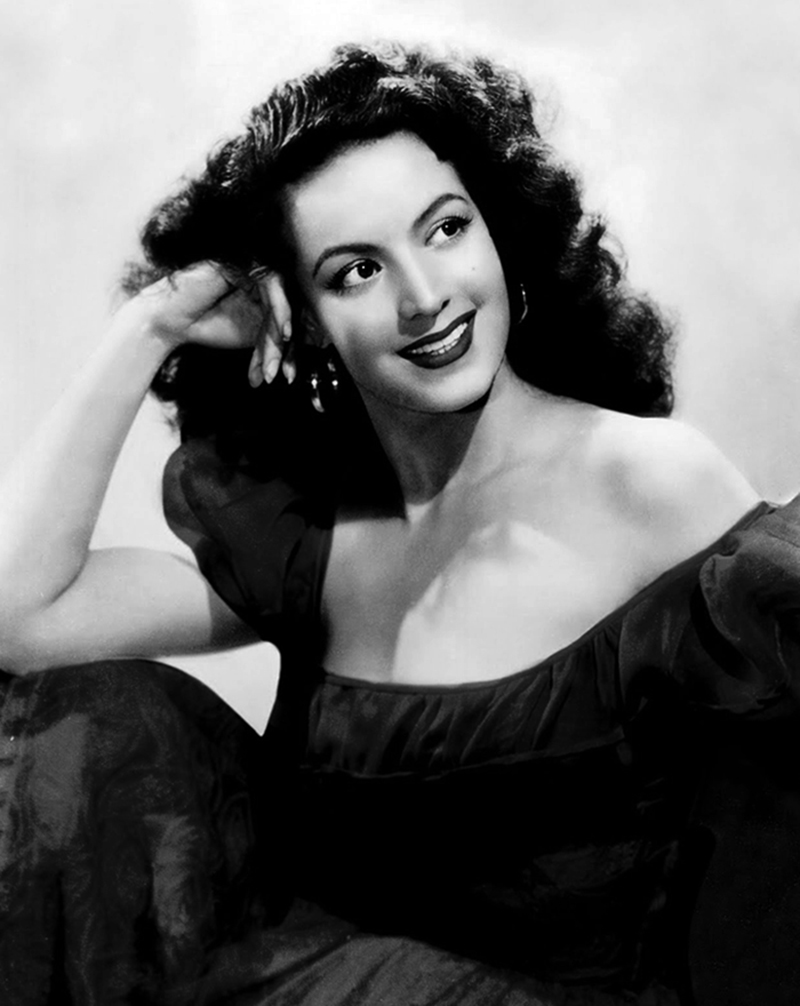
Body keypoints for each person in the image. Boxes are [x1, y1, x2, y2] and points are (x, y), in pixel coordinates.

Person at [0, 41, 798, 1006]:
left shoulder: (645, 481)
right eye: (356, 272)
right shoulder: (313, 538)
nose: (423, 297)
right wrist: (151, 326)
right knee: (86, 724)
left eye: (446, 228)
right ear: (304, 319)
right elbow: (22, 620)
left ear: (501, 233)